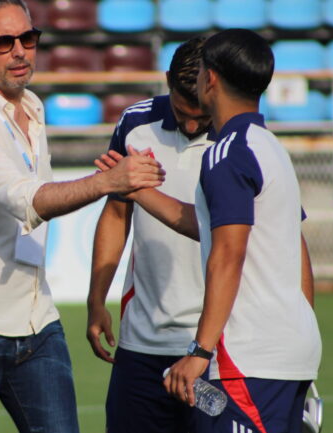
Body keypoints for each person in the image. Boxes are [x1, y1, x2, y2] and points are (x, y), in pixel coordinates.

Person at [0, 1, 165, 432]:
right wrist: (109, 182)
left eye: (28, 38)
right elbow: (27, 201)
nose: (20, 51)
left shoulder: (32, 106)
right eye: (3, 42)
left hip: (35, 315)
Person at [99, 29, 322, 433]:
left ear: (210, 79)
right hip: (283, 354)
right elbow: (210, 227)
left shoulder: (227, 152)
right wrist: (134, 189)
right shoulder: (266, 145)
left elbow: (226, 255)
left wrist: (200, 350)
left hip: (245, 358)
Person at [86, 36, 214, 433]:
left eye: (202, 115)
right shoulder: (135, 123)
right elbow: (116, 214)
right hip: (142, 346)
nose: (192, 125)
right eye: (182, 111)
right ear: (167, 82)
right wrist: (96, 300)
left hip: (218, 349)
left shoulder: (241, 138)